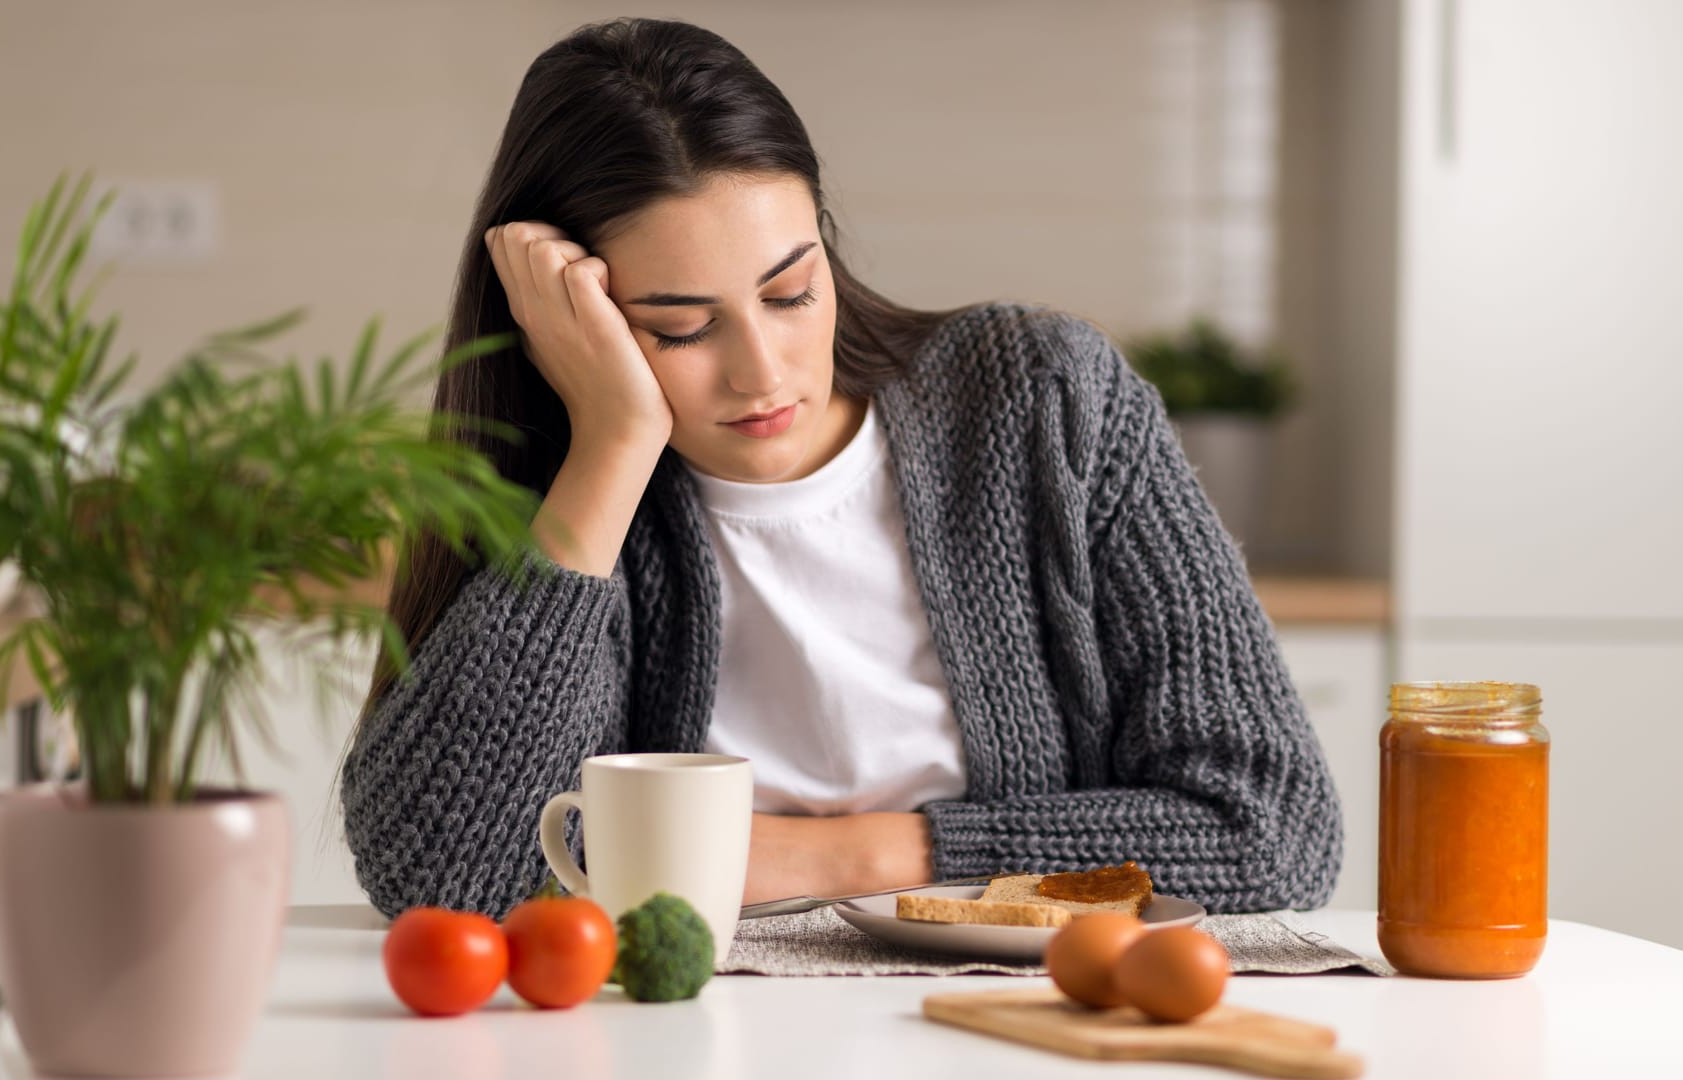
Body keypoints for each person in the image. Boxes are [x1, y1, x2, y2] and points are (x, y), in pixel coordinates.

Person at [339, 16, 1342, 922]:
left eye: (791, 291)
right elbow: (447, 881)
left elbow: (1269, 833)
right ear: (574, 327)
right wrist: (610, 444)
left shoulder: (1044, 404)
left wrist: (828, 856)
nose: (763, 372)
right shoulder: (565, 493)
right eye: (679, 327)